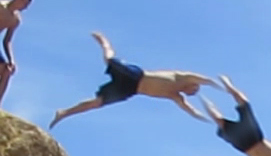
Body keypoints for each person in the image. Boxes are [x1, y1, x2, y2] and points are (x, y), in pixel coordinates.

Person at [50, 32, 218, 128]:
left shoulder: (176, 96)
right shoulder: (181, 77)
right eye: (193, 88)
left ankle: (63, 113)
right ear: (191, 84)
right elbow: (205, 79)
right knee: (109, 59)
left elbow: (190, 110)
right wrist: (221, 86)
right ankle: (106, 44)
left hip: (131, 90)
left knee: (97, 103)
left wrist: (209, 119)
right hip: (136, 75)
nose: (190, 92)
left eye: (192, 93)